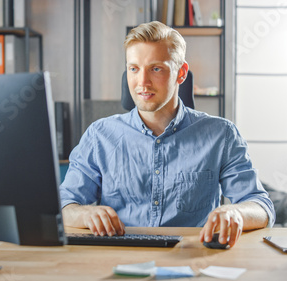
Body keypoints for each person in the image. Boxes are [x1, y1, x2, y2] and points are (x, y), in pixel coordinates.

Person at [60, 21, 275, 248]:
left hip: (192, 257)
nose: (142, 82)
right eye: (134, 69)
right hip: (119, 256)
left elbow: (262, 206)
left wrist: (236, 213)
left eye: (155, 68)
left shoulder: (221, 135)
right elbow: (65, 205)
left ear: (181, 73)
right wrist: (85, 214)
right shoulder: (99, 135)